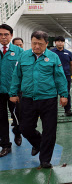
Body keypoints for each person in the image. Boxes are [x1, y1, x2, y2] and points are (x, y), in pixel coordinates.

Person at [9, 31, 68, 168]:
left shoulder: (53, 57)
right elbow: (16, 76)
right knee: (25, 128)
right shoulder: (24, 56)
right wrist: (13, 92)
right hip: (28, 98)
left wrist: (64, 95)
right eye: (34, 43)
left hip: (48, 98)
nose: (36, 46)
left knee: (49, 130)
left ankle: (45, 160)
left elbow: (59, 77)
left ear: (46, 44)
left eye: (40, 44)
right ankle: (38, 143)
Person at [0, 24, 23, 157]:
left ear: (11, 35)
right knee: (1, 119)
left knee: (18, 116)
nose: (3, 37)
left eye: (6, 34)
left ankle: (18, 132)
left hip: (14, 92)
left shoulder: (19, 52)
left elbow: (23, 72)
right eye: (0, 34)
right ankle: (5, 145)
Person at [51, 36, 72, 116]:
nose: (60, 43)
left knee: (66, 93)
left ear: (64, 43)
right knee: (53, 94)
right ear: (55, 43)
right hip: (53, 77)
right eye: (58, 41)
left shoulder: (68, 53)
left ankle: (67, 110)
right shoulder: (51, 53)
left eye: (62, 41)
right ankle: (53, 111)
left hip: (66, 77)